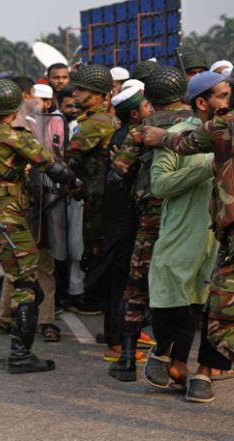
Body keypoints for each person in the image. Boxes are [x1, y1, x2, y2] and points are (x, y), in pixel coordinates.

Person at [0, 80, 79, 375]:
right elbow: (52, 165)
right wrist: (75, 183)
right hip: (7, 219)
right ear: (14, 108)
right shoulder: (17, 137)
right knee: (25, 285)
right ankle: (20, 354)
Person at [142, 78, 234, 402]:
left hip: (223, 237)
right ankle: (170, 357)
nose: (228, 99)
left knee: (219, 308)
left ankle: (204, 373)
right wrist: (208, 167)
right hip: (185, 234)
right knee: (179, 304)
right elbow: (160, 186)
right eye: (222, 95)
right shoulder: (184, 134)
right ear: (201, 102)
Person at [109, 66, 194, 381]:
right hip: (189, 219)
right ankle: (177, 358)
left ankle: (128, 360)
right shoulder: (198, 125)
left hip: (150, 219)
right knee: (189, 287)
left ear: (151, 98)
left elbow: (118, 172)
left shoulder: (143, 128)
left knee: (137, 285)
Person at [91, 84, 151, 365]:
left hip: (119, 218)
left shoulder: (124, 133)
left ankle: (126, 334)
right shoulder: (130, 137)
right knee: (122, 283)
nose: (151, 110)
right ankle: (115, 344)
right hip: (124, 220)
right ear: (136, 115)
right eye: (146, 107)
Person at [64, 64, 118, 314]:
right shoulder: (94, 120)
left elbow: (70, 158)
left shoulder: (95, 123)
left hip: (98, 195)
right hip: (96, 193)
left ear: (100, 95)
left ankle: (96, 299)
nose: (76, 94)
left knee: (96, 246)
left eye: (83, 90)